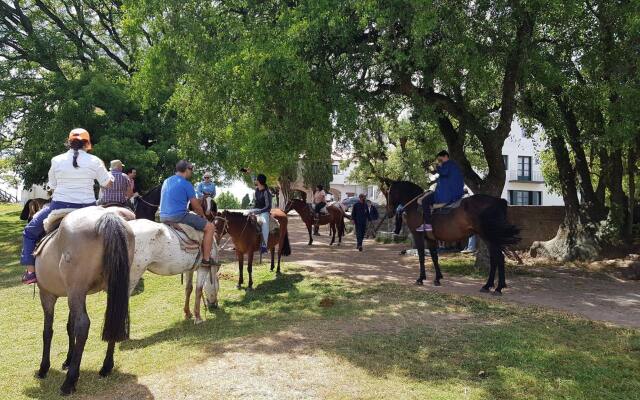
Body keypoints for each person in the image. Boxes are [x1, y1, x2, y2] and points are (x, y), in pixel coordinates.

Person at [20, 128, 114, 284]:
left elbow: (52, 185)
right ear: (87, 143)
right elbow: (107, 183)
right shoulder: (96, 161)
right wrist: (109, 175)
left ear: (69, 142)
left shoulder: (56, 160)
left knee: (29, 231)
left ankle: (31, 272)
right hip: (89, 208)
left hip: (59, 206)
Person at [159, 160, 219, 267]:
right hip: (178, 216)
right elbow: (196, 206)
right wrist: (204, 216)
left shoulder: (166, 181)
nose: (191, 172)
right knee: (210, 227)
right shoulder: (187, 184)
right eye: (191, 169)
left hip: (163, 217)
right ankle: (206, 259)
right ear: (186, 170)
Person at [417, 150, 465, 232]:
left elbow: (444, 172)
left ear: (446, 156)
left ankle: (428, 224)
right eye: (439, 161)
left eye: (440, 160)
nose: (440, 162)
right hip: (453, 192)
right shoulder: (453, 165)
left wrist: (438, 166)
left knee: (425, 201)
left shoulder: (448, 165)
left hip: (446, 194)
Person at [248, 174, 272, 254]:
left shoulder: (266, 192)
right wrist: (249, 173)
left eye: (257, 180)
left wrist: (258, 212)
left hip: (264, 211)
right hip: (256, 209)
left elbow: (268, 206)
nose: (255, 181)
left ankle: (264, 246)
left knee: (265, 224)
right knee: (244, 215)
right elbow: (253, 179)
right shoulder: (257, 189)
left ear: (259, 182)